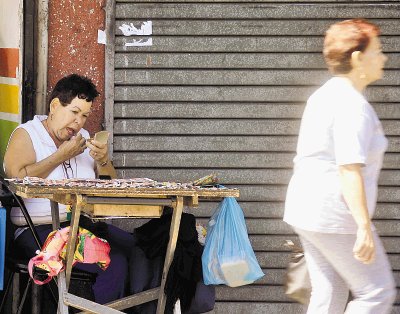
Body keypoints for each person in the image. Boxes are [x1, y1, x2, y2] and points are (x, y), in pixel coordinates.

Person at [284, 19, 396, 313]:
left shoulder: (324, 95)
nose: (384, 58)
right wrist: (363, 226)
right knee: (377, 293)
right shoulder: (352, 105)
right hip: (336, 215)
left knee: (330, 291)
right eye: (379, 50)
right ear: (358, 58)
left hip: (307, 211)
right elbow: (349, 168)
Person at [3, 74, 135, 305]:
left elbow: (109, 185)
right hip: (38, 230)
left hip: (83, 224)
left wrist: (104, 161)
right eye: (74, 112)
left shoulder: (83, 138)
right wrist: (59, 156)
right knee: (113, 262)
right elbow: (17, 178)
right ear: (54, 106)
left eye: (84, 115)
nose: (79, 122)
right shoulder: (27, 134)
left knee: (140, 250)